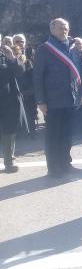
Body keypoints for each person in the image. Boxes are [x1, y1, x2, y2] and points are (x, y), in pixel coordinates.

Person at [34, 18, 82, 178]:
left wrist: (79, 94)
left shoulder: (72, 47)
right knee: (54, 135)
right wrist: (40, 100)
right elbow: (38, 76)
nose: (64, 31)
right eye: (61, 28)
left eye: (66, 28)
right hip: (53, 100)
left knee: (67, 134)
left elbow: (76, 74)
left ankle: (65, 163)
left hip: (70, 98)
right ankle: (54, 167)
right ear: (52, 29)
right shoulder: (44, 49)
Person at [0, 42, 27, 172]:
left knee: (9, 132)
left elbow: (21, 70)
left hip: (7, 100)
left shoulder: (6, 56)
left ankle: (9, 161)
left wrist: (11, 56)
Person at [13, 34, 37, 136]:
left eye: (21, 41)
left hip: (30, 89)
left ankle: (31, 132)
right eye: (17, 41)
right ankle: (20, 133)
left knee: (31, 112)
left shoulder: (31, 54)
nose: (19, 43)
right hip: (15, 90)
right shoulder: (9, 55)